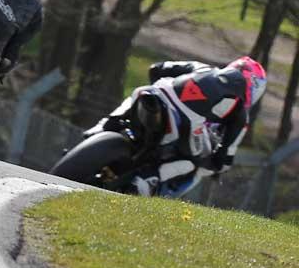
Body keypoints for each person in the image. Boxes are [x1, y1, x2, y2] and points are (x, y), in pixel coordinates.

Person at [86, 57, 267, 196]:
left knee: (139, 92)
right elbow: (226, 153)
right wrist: (217, 166)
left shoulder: (201, 68)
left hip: (157, 94)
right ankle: (147, 179)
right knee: (194, 162)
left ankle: (101, 127)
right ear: (254, 88)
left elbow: (156, 69)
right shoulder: (239, 112)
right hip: (185, 124)